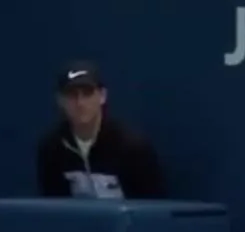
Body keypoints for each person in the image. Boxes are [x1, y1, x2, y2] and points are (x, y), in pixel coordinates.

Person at [36, 61, 167, 199]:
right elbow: (54, 208)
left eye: (87, 93)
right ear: (60, 100)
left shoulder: (132, 147)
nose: (80, 103)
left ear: (102, 96)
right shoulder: (51, 148)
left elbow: (152, 207)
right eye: (72, 95)